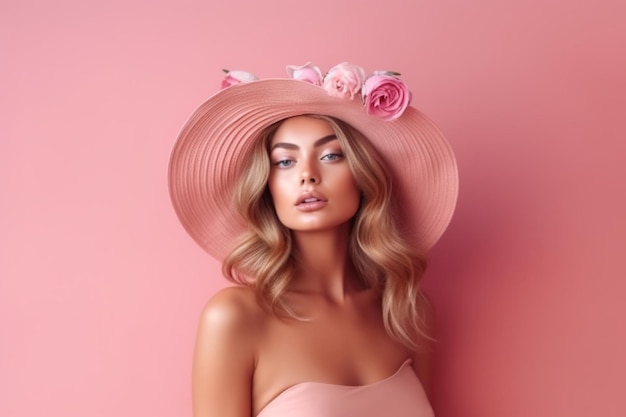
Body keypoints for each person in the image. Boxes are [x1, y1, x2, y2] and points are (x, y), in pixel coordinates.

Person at [168, 62, 458, 417]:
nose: (308, 175)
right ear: (267, 186)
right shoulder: (235, 317)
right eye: (285, 162)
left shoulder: (408, 310)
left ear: (364, 175)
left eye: (331, 155)